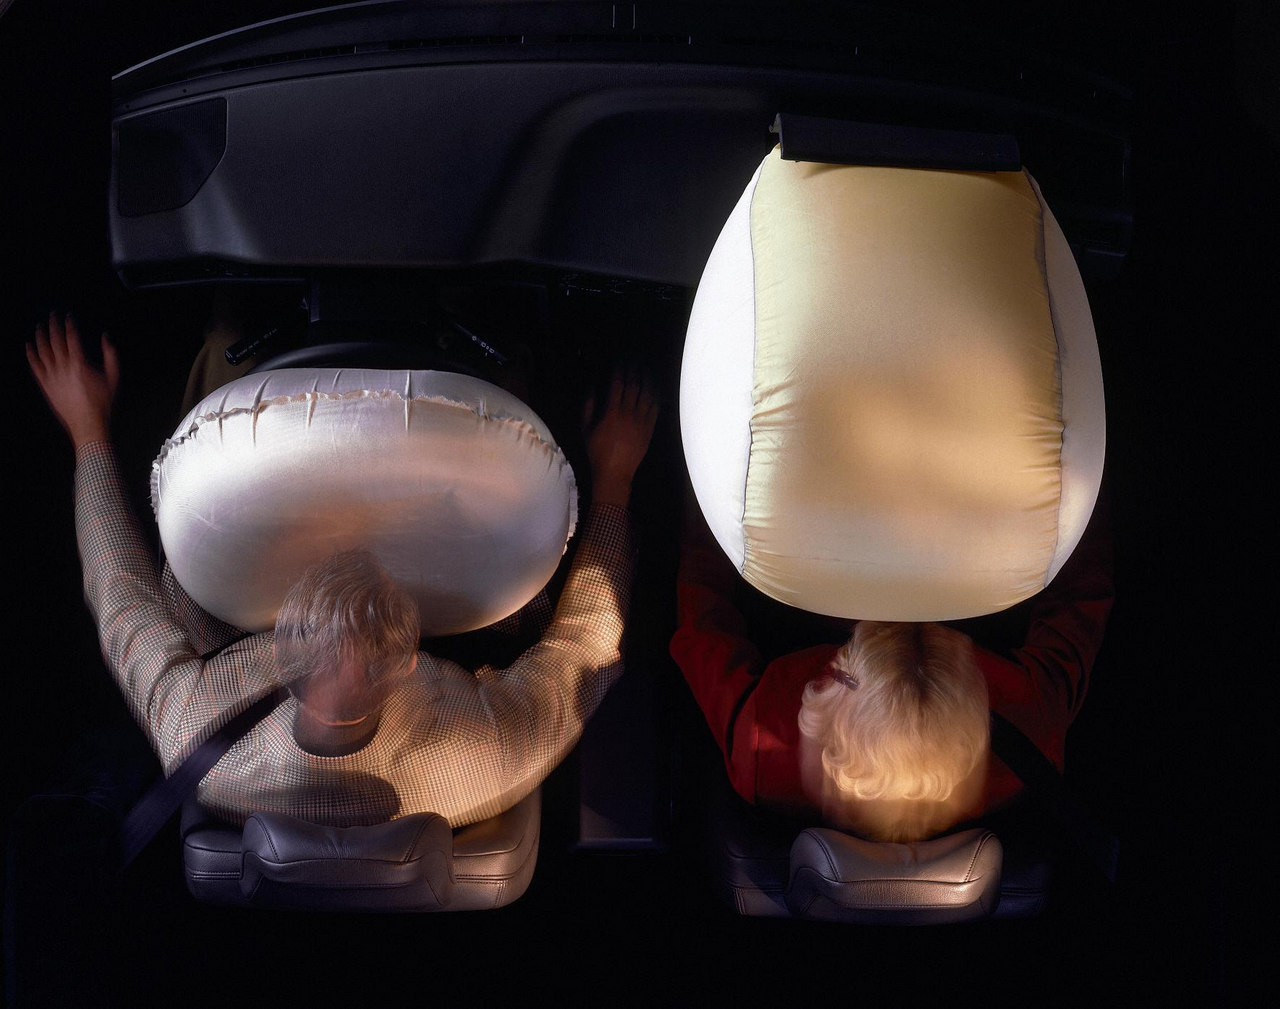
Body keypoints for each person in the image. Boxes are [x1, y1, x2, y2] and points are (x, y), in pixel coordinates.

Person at [25, 310, 659, 828]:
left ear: (278, 647)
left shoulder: (198, 734)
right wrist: (616, 478)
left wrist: (87, 431)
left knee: (226, 341)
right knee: (508, 367)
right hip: (459, 488)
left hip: (257, 513)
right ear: (409, 663)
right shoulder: (483, 753)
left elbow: (121, 595)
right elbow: (587, 645)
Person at [670, 486, 1114, 843]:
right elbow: (1081, 595)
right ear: (981, 700)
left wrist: (706, 495)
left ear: (830, 700)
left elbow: (702, 624)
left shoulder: (762, 743)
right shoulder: (1030, 727)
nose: (904, 618)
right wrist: (1079, 488)